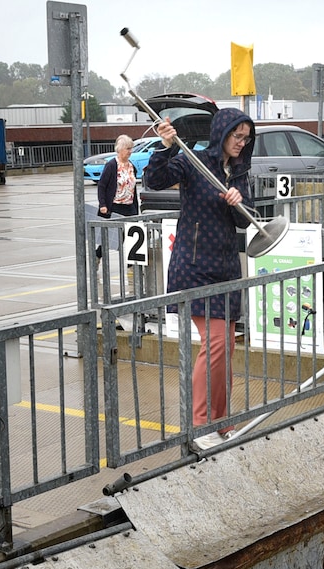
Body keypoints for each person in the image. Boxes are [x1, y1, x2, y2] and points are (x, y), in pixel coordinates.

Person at [147, 109, 254, 450]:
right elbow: (155, 179)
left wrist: (240, 202)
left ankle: (221, 421)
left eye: (246, 138)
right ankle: (199, 424)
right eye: (237, 136)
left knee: (226, 348)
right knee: (216, 344)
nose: (242, 143)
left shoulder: (238, 172)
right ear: (222, 132)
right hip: (194, 268)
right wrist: (165, 146)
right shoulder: (193, 161)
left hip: (225, 269)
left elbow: (244, 222)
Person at [94, 134, 141, 263]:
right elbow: (102, 186)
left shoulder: (131, 166)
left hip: (130, 206)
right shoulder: (111, 165)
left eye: (131, 148)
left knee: (131, 235)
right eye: (128, 149)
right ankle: (97, 255)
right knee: (113, 237)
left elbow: (133, 187)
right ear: (120, 149)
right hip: (115, 206)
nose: (130, 151)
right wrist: (102, 204)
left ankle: (132, 265)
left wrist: (136, 207)